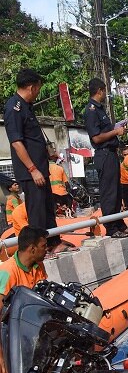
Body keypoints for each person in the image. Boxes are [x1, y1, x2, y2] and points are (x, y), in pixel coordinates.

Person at [3, 69, 64, 252]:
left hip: (41, 168)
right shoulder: (14, 107)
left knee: (47, 209)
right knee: (37, 212)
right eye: (38, 89)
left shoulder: (26, 106)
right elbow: (16, 142)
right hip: (31, 173)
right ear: (32, 87)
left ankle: (53, 243)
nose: (38, 93)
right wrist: (32, 169)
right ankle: (39, 251)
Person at [0, 225, 49, 373]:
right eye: (44, 246)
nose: (47, 249)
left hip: (31, 326)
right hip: (11, 332)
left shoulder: (38, 266)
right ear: (32, 249)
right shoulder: (8, 272)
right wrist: (1, 357)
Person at [83, 78, 128, 238]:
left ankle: (119, 223)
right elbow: (96, 138)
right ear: (100, 90)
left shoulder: (100, 110)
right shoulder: (91, 111)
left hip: (111, 153)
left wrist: (116, 129)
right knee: (109, 192)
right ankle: (111, 227)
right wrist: (115, 132)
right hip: (104, 154)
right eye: (104, 91)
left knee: (116, 191)